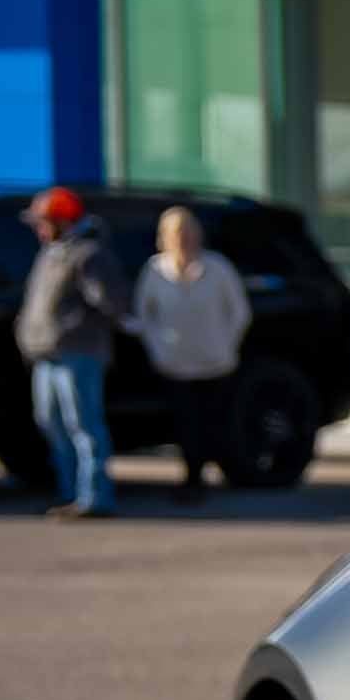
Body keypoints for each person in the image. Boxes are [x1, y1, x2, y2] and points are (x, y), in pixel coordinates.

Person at [131, 203, 254, 507]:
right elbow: (143, 315)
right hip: (175, 362)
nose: (183, 239)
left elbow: (239, 312)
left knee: (213, 420)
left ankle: (216, 473)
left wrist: (227, 344)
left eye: (188, 232)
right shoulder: (155, 270)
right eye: (177, 233)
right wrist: (157, 347)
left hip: (215, 360)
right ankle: (193, 478)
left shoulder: (218, 267)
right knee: (186, 424)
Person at [14, 187, 124, 521]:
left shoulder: (88, 254)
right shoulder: (50, 253)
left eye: (44, 221)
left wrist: (82, 316)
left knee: (84, 425)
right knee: (51, 423)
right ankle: (69, 492)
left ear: (62, 221)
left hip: (78, 353)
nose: (39, 228)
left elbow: (110, 301)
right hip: (45, 353)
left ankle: (95, 497)